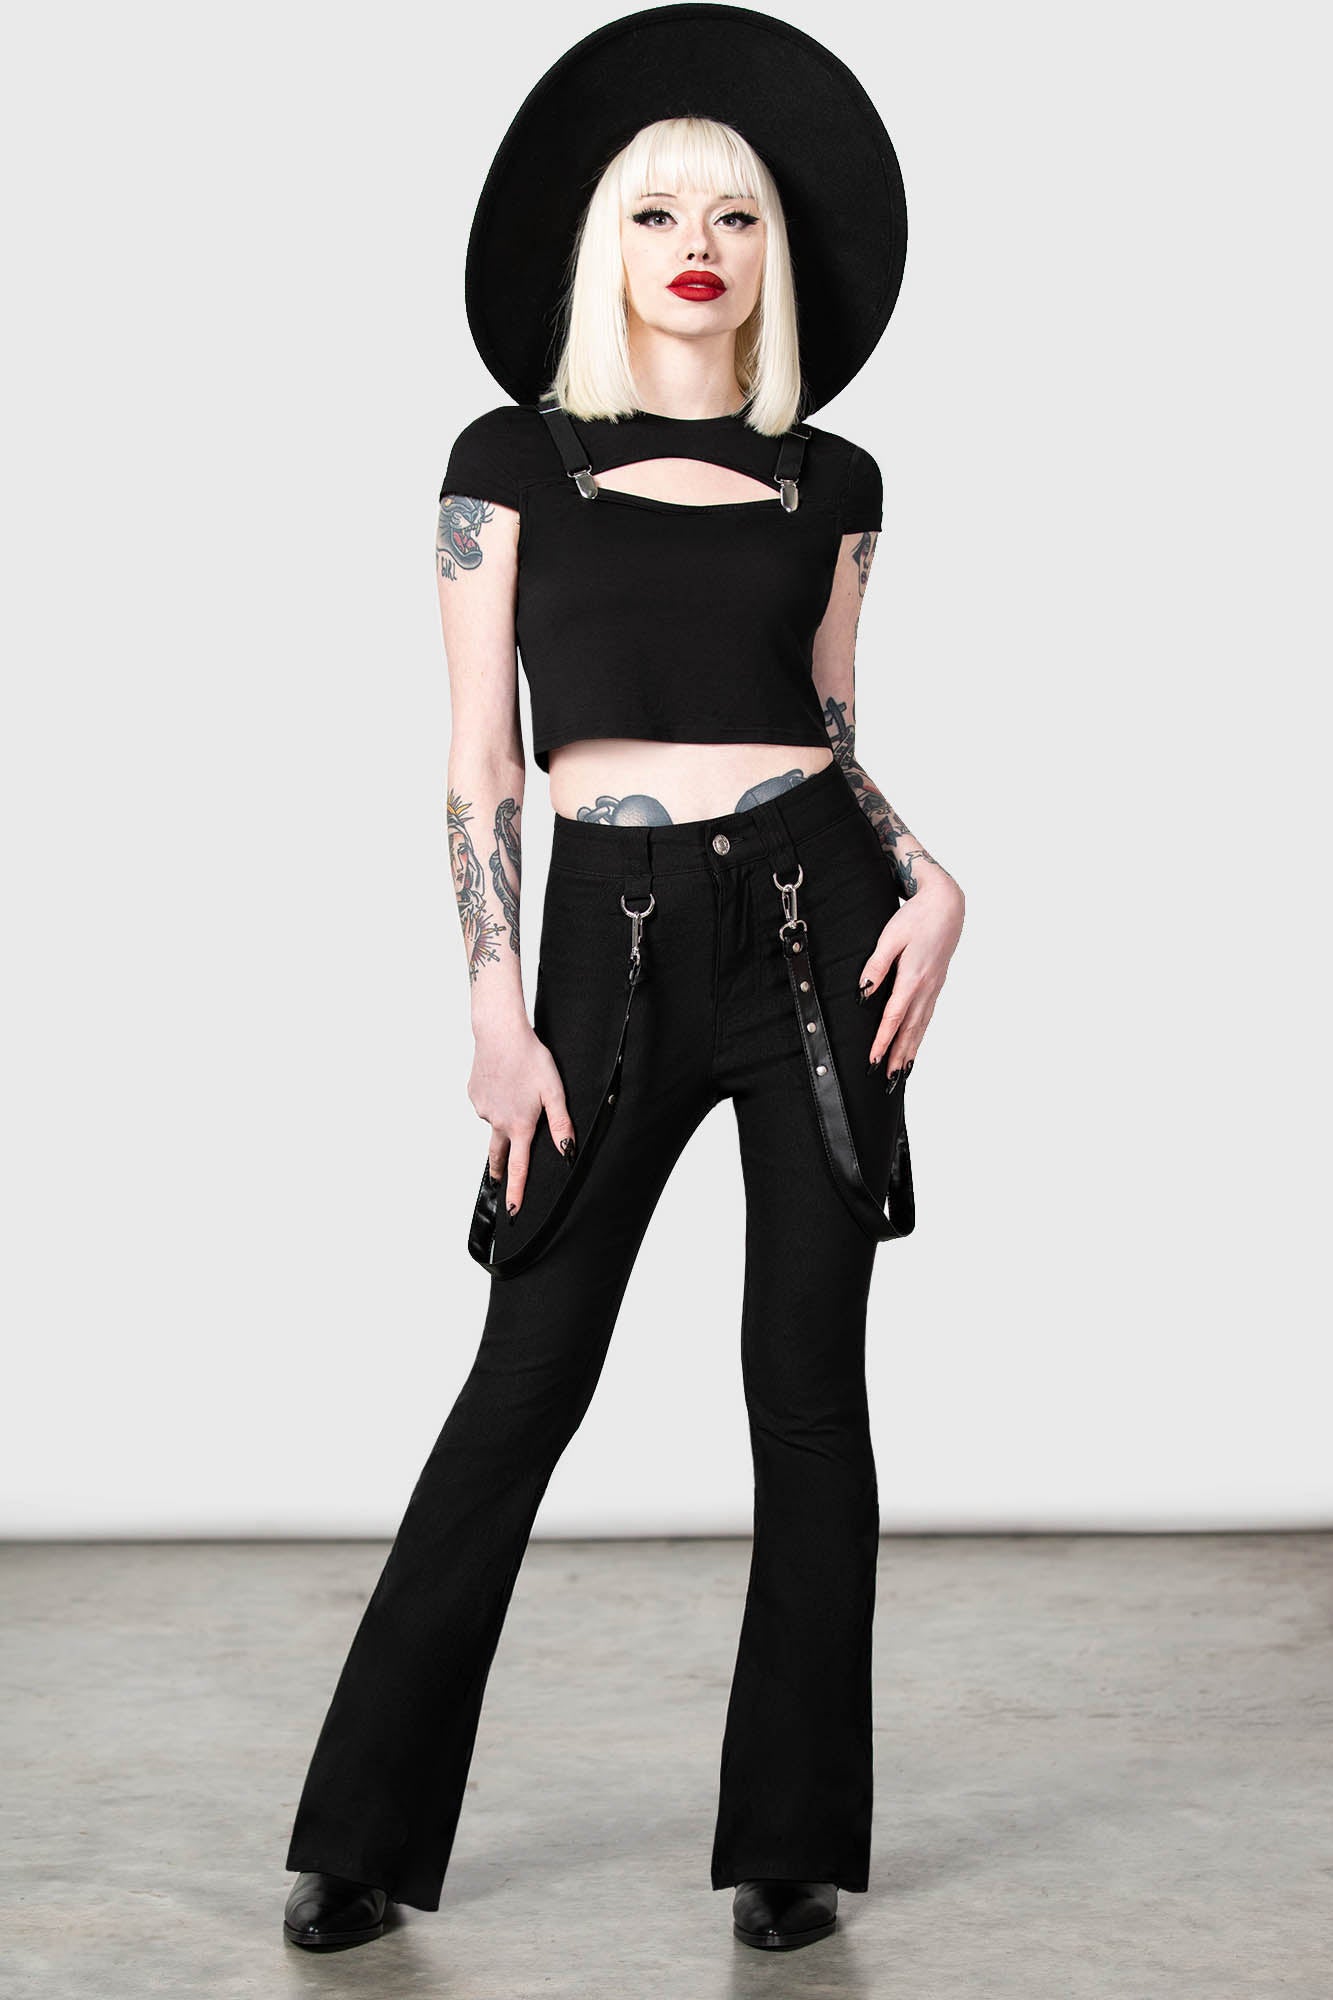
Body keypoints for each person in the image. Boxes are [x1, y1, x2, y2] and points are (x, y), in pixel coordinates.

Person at [282, 2, 965, 1956]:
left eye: (734, 217)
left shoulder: (834, 478)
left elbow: (828, 724)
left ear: (773, 257)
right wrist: (495, 1007)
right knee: (526, 1376)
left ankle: (789, 1841)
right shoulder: (507, 459)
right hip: (606, 930)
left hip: (822, 926)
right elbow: (479, 757)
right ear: (605, 245)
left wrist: (932, 876)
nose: (698, 245)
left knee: (805, 1389)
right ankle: (359, 1834)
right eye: (658, 212)